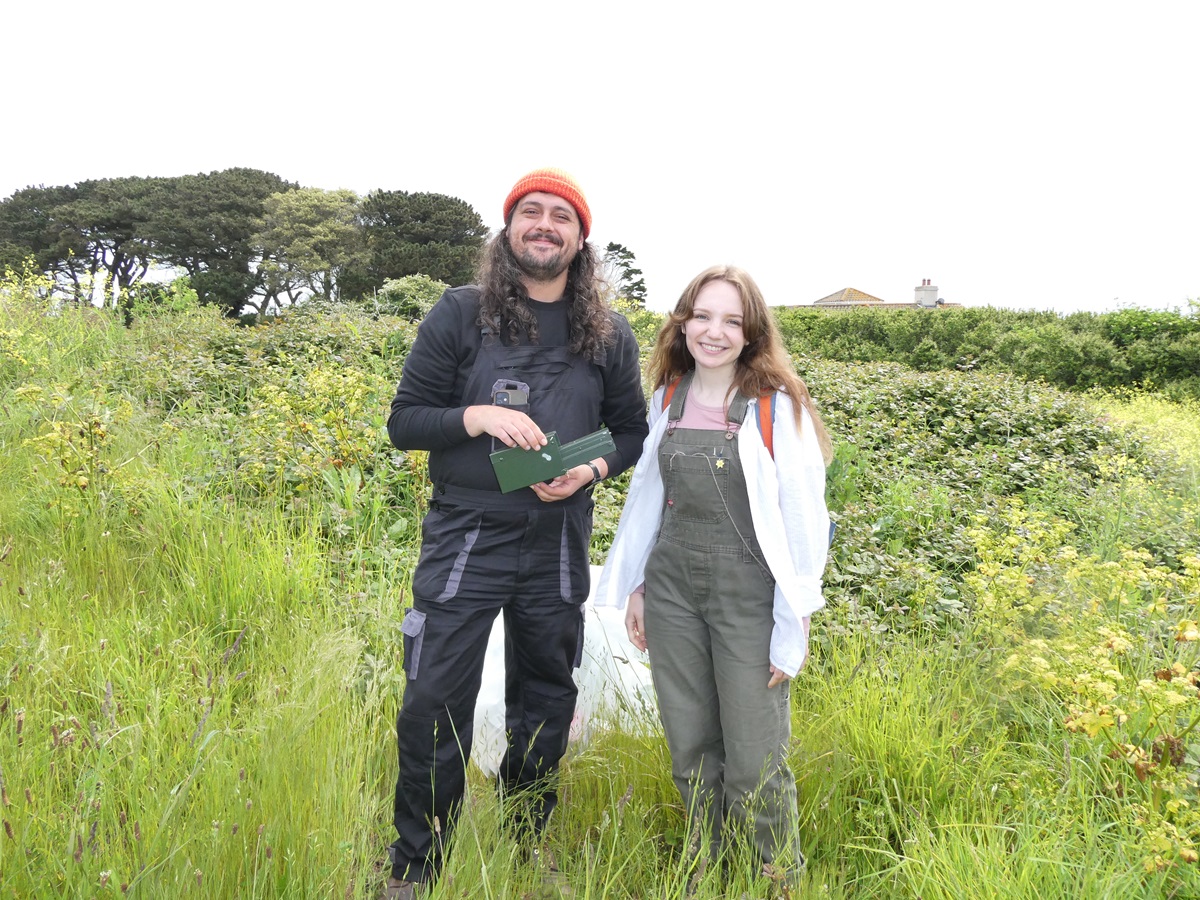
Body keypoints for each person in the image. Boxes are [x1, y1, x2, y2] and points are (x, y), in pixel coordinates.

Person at [384, 167, 649, 899]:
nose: (544, 225)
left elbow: (629, 431)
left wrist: (589, 471)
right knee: (434, 698)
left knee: (545, 697)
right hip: (467, 535)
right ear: (508, 230)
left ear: (581, 238)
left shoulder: (609, 334)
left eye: (561, 216)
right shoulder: (459, 314)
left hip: (558, 542)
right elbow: (405, 421)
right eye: (530, 212)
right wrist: (474, 417)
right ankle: (415, 863)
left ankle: (526, 847)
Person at [594, 265, 833, 887]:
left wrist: (794, 621)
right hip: (672, 590)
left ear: (751, 333)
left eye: (732, 320)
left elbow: (806, 521)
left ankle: (776, 874)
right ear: (683, 321)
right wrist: (641, 587)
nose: (714, 331)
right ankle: (706, 864)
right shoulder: (666, 399)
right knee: (691, 746)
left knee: (755, 758)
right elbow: (649, 498)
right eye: (703, 315)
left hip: (749, 598)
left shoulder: (776, 410)